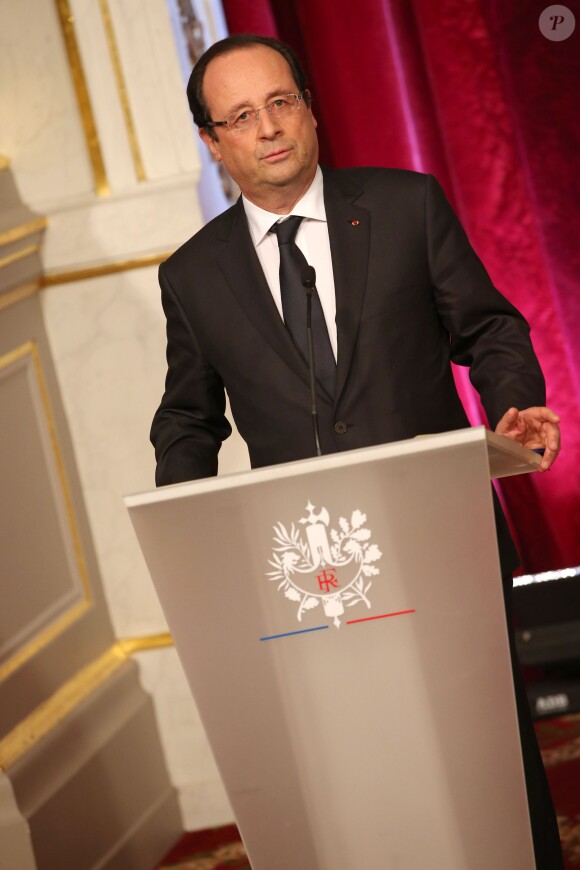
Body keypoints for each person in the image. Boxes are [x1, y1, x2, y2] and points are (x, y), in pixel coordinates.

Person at [151, 33, 562, 867]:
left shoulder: (406, 206)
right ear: (212, 142)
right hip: (310, 578)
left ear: (309, 109)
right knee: (366, 787)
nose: (267, 128)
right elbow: (188, 421)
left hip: (439, 539)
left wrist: (513, 405)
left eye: (280, 102)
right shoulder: (192, 277)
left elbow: (489, 329)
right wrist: (185, 537)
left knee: (493, 775)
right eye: (240, 115)